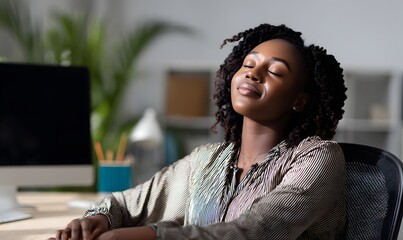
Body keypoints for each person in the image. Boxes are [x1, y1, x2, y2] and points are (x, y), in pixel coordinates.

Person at [49, 23, 347, 240]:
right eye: (248, 64)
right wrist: (96, 221)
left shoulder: (318, 157)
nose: (253, 73)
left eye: (275, 71)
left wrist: (152, 235)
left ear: (300, 100)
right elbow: (126, 205)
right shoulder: (206, 160)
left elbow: (256, 231)